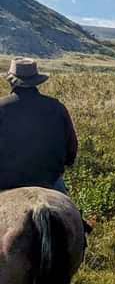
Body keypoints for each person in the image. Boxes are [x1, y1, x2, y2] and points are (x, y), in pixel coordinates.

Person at [0, 59, 77, 194]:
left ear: (10, 81)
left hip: (6, 181)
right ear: (37, 81)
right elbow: (71, 149)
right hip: (49, 181)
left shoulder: (1, 107)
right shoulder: (57, 107)